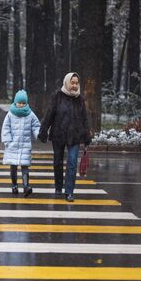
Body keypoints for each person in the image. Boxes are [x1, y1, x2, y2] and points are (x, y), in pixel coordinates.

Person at [38, 72, 91, 202]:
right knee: (58, 162)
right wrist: (43, 130)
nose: (74, 85)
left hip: (75, 135)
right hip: (58, 134)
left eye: (76, 83)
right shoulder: (57, 96)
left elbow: (84, 118)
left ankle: (69, 192)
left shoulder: (80, 99)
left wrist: (87, 135)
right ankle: (58, 187)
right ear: (67, 82)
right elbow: (50, 114)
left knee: (72, 163)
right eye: (72, 82)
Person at [1, 90, 41, 197]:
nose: (21, 105)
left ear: (26, 103)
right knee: (13, 167)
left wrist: (38, 134)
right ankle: (14, 185)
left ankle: (26, 186)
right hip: (13, 145)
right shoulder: (10, 114)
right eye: (19, 103)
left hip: (25, 145)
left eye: (23, 103)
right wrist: (7, 141)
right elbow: (6, 127)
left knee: (25, 167)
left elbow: (36, 126)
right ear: (15, 102)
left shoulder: (30, 114)